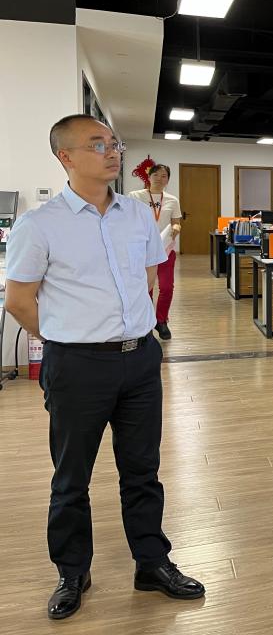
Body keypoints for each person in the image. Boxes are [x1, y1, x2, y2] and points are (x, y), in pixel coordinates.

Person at [4, 116, 205, 621]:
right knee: (72, 476)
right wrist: (66, 337)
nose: (112, 151)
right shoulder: (40, 224)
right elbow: (19, 300)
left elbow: (147, 278)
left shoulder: (136, 215)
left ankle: (151, 562)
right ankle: (73, 571)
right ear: (65, 156)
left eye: (113, 143)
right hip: (77, 365)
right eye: (97, 145)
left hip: (139, 360)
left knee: (143, 471)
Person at [128, 164, 182, 340]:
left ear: (168, 180)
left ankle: (161, 320)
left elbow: (176, 222)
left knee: (166, 287)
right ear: (149, 177)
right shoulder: (135, 196)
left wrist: (176, 228)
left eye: (164, 176)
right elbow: (128, 219)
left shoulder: (172, 200)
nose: (160, 178)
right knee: (146, 287)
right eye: (156, 175)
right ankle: (147, 322)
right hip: (142, 249)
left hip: (165, 248)